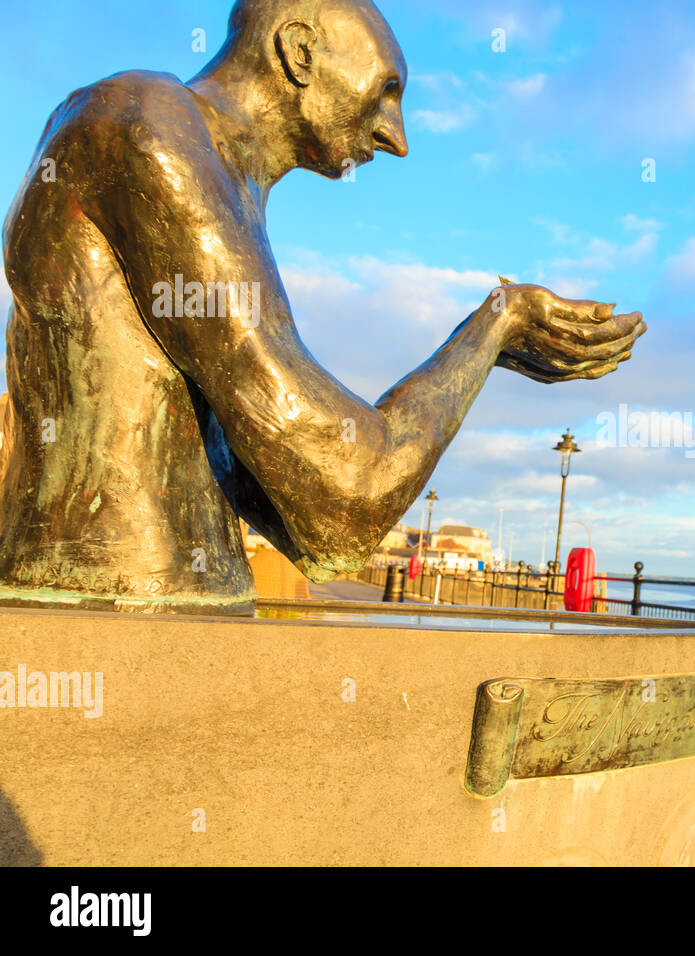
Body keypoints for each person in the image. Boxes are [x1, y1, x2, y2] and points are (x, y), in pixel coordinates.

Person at [0, 0, 643, 613]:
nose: (396, 136)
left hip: (170, 600)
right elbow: (345, 493)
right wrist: (494, 326)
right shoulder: (146, 123)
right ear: (299, 50)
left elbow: (313, 531)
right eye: (386, 90)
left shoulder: (219, 172)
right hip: (123, 609)